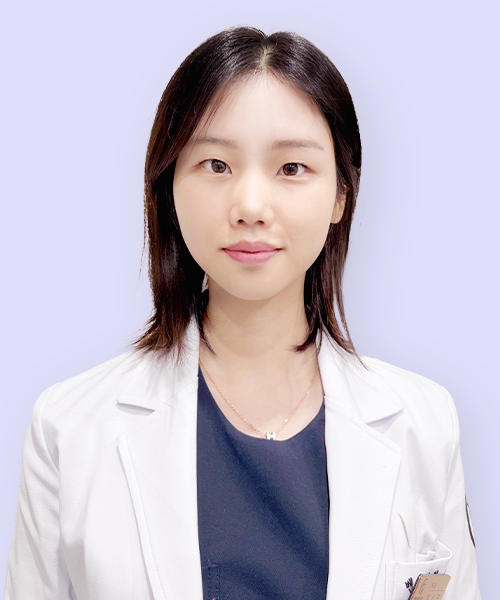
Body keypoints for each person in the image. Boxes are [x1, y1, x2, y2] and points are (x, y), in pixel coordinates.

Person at [5, 26, 481, 600]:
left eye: (291, 168)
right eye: (215, 164)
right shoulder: (69, 426)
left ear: (341, 195)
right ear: (169, 188)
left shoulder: (426, 423)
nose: (251, 206)